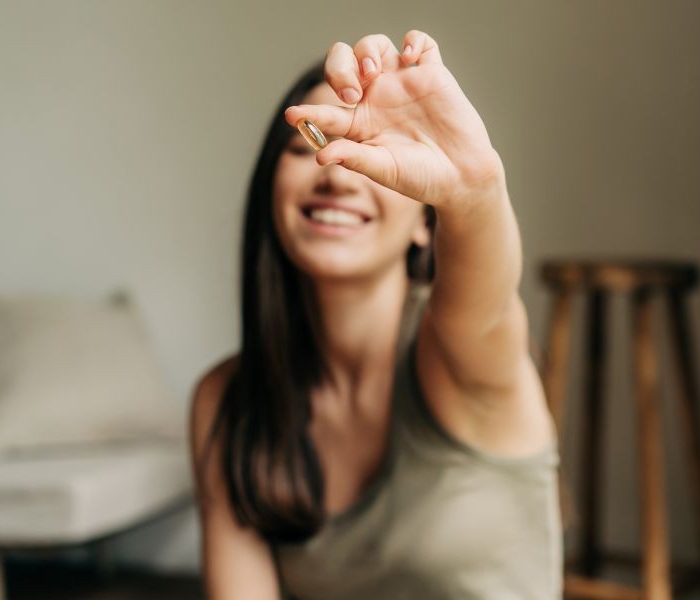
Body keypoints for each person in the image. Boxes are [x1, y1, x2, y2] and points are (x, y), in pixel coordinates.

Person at [190, 30, 562, 600]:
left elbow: (485, 305)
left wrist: (472, 190)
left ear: (424, 224)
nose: (336, 173)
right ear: (271, 191)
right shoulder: (229, 401)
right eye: (306, 146)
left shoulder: (456, 354)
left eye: (370, 159)